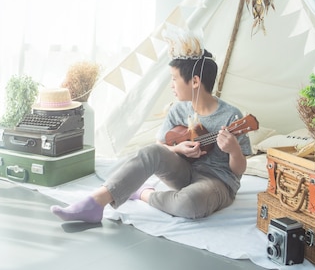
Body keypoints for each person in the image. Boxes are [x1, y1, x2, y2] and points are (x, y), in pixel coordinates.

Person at [50, 27, 252, 223]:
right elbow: (159, 147)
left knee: (189, 203)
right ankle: (95, 202)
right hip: (184, 172)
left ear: (195, 81)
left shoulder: (231, 116)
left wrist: (234, 150)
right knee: (150, 151)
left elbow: (238, 170)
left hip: (217, 182)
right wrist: (177, 148)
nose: (171, 85)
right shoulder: (178, 110)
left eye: (174, 79)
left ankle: (143, 194)